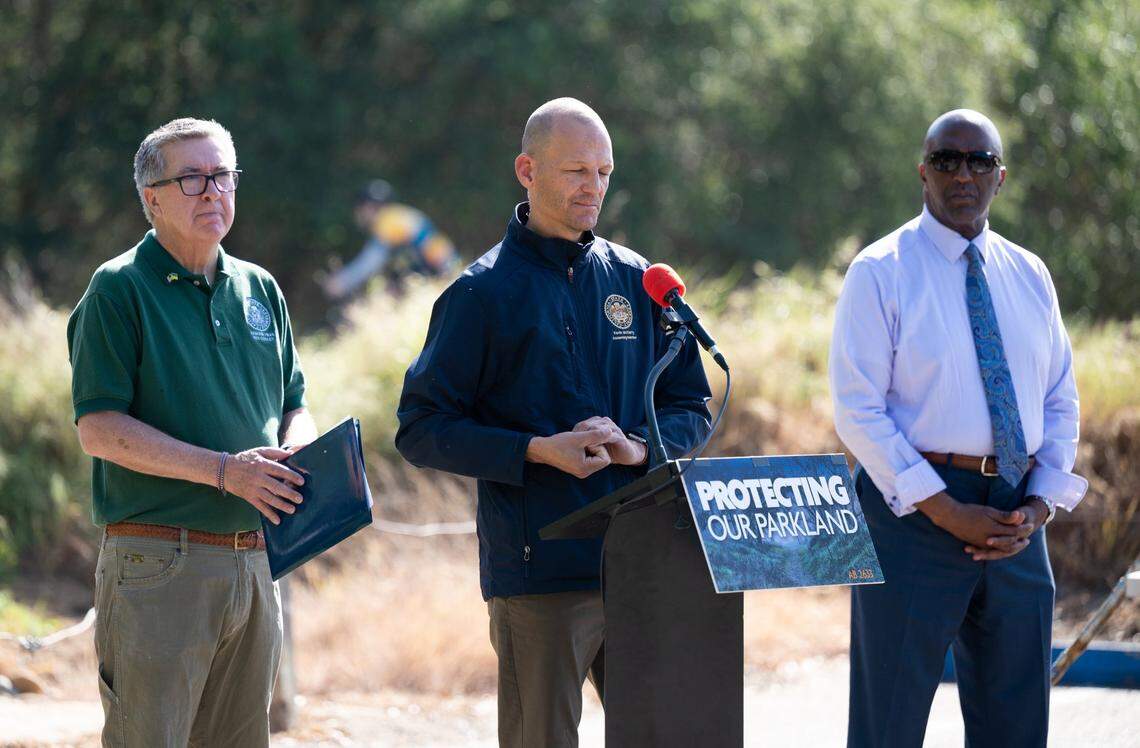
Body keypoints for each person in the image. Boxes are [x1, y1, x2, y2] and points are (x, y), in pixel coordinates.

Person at [395, 98, 712, 747]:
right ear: (526, 170)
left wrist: (638, 449)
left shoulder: (639, 280)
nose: (592, 186)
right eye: (575, 171)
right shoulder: (480, 295)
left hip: (640, 564)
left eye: (603, 171)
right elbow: (421, 427)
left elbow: (692, 409)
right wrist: (537, 451)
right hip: (538, 575)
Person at [829, 109, 1087, 747]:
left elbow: (1058, 398)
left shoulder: (1030, 273)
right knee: (888, 722)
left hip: (1017, 521)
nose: (962, 173)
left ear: (1002, 176)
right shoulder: (880, 270)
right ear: (923, 173)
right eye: (946, 160)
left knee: (1016, 725)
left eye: (979, 161)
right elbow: (857, 409)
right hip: (912, 516)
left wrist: (1039, 506)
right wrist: (944, 509)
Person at [67, 117, 318, 747]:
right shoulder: (118, 288)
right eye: (193, 178)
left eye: (224, 175)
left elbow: (294, 402)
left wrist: (296, 446)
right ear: (151, 197)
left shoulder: (260, 287)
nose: (214, 191)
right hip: (160, 562)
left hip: (257, 561)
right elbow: (99, 429)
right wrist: (225, 471)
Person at [320, 179, 457, 300]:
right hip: (443, 266)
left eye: (359, 208)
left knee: (388, 291)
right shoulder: (397, 214)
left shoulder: (387, 221)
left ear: (369, 207)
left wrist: (342, 282)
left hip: (438, 269)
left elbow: (371, 262)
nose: (357, 214)